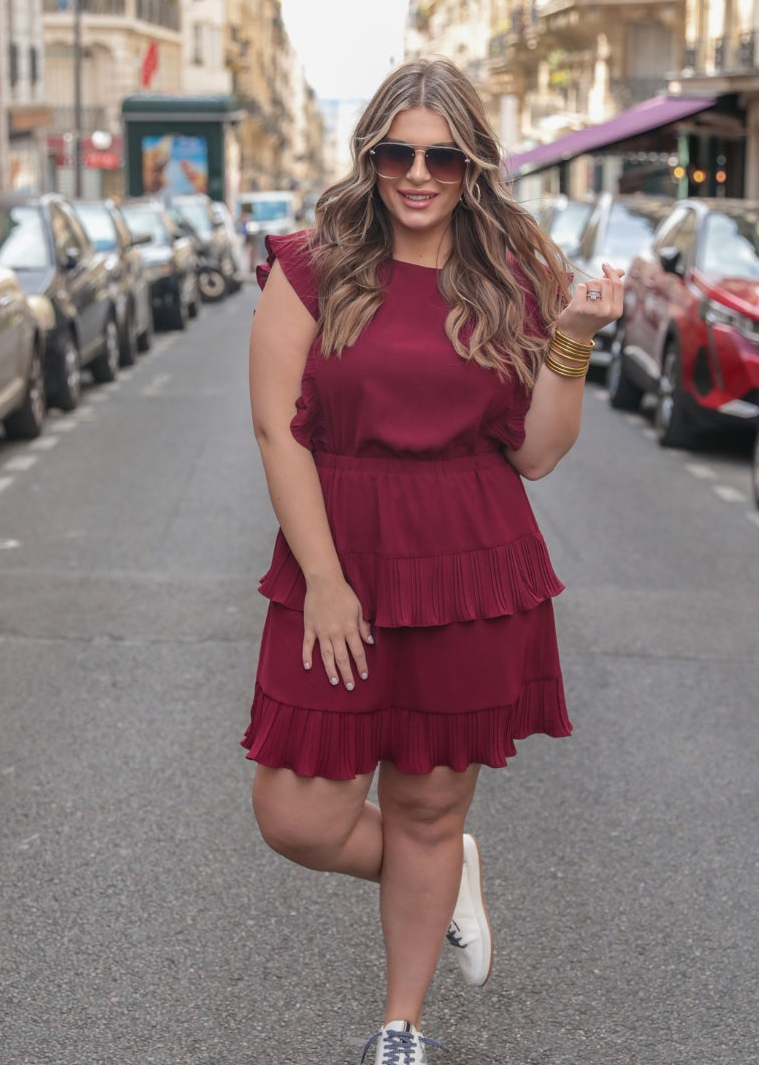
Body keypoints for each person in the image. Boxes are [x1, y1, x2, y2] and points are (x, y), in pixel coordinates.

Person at [244, 57, 623, 1064]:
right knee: (295, 813)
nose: (418, 174)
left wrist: (574, 338)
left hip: (470, 562)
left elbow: (537, 452)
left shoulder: (518, 278)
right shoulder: (309, 267)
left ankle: (400, 1026)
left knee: (424, 802)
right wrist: (324, 579)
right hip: (339, 558)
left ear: (473, 166)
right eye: (397, 153)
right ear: (369, 158)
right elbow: (280, 432)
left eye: (442, 156)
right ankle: (445, 871)